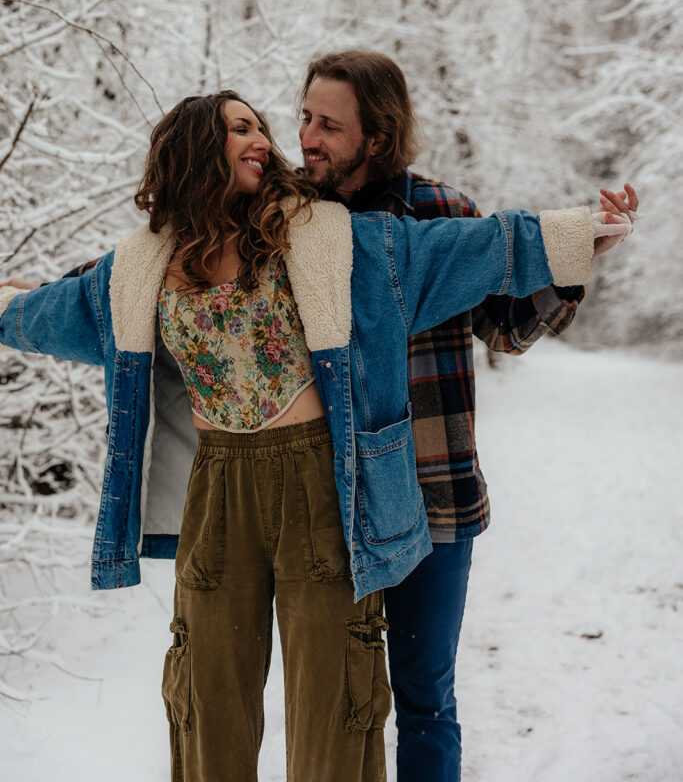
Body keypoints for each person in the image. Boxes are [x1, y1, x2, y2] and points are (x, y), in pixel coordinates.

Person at [0, 90, 633, 782]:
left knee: (334, 703)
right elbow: (49, 312)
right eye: (240, 129)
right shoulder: (139, 268)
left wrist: (573, 233)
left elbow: (467, 249)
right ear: (191, 149)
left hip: (324, 488)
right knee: (205, 698)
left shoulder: (333, 239)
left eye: (259, 129)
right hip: (218, 493)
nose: (264, 142)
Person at [295, 49, 640, 782]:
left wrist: (574, 254)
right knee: (332, 702)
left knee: (424, 699)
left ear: (376, 137)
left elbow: (507, 329)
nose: (307, 136)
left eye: (327, 123)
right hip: (323, 503)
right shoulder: (287, 223)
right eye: (304, 117)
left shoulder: (441, 213)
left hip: (433, 498)